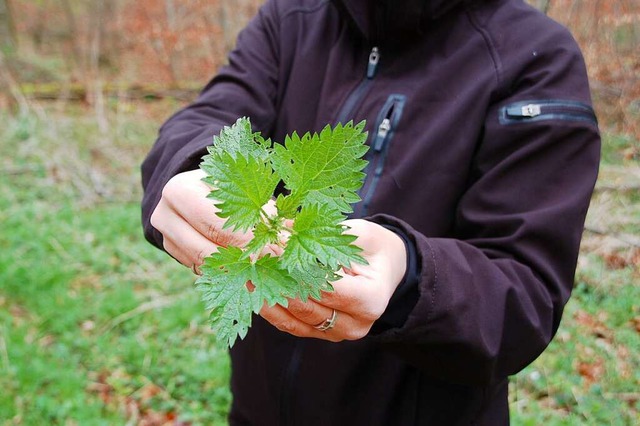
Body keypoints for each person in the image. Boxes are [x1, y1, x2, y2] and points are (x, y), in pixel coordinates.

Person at [141, 0, 601, 424]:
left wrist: (410, 277)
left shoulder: (535, 56)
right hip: (261, 408)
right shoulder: (291, 18)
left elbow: (526, 299)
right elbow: (212, 117)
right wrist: (188, 169)